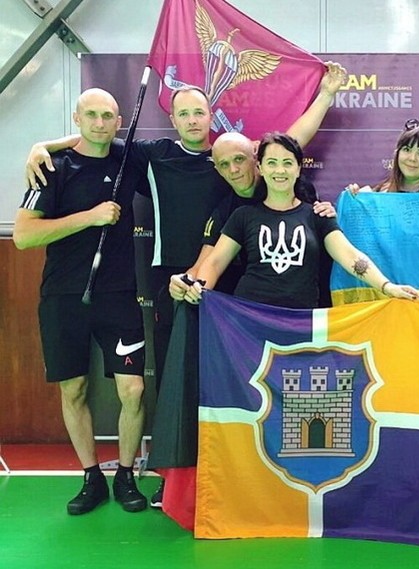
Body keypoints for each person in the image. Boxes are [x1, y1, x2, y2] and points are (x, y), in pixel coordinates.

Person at [26, 63, 347, 507]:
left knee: (241, 380)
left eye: (199, 112)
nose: (193, 120)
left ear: (211, 116)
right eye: (184, 113)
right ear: (172, 119)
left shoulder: (232, 155)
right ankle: (173, 476)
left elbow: (292, 141)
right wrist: (42, 146)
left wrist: (326, 94)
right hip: (174, 285)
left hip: (237, 288)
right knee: (176, 377)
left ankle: (250, 469)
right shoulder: (154, 154)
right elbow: (95, 138)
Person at [13, 88, 148, 515]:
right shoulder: (53, 168)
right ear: (77, 118)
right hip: (63, 296)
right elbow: (23, 236)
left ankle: (126, 474)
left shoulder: (128, 158)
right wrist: (90, 217)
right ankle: (91, 477)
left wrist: (42, 142)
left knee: (133, 390)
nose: (99, 123)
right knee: (74, 389)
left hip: (118, 295)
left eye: (108, 116)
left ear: (119, 121)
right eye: (91, 115)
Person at [180, 132, 419, 307]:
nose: (280, 171)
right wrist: (198, 289)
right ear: (260, 167)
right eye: (272, 163)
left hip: (302, 323)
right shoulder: (242, 216)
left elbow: (350, 256)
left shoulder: (318, 216)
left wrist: (387, 286)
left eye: (287, 163)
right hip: (250, 321)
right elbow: (214, 263)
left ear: (298, 168)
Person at [347, 118, 419, 193]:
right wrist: (356, 200)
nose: (412, 158)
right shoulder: (377, 196)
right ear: (397, 154)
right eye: (407, 149)